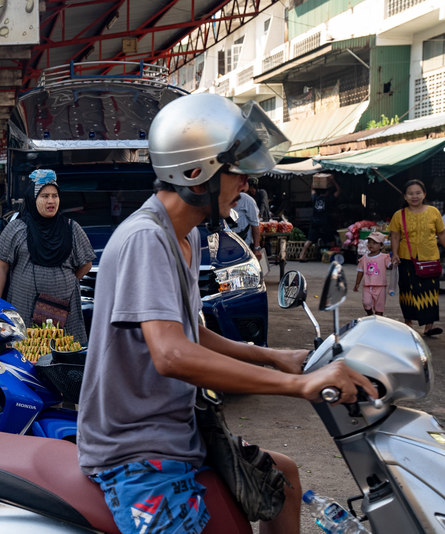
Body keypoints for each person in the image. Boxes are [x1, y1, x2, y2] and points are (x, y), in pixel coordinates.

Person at [77, 94, 377, 534]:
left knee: (285, 480)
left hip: (180, 431)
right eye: (237, 174)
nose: (247, 186)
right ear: (197, 175)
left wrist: (271, 355)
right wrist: (299, 385)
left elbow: (191, 333)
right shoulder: (146, 238)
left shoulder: (187, 236)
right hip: (136, 450)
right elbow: (172, 355)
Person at [0, 169, 95, 344]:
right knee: (26, 354)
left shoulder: (71, 228)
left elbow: (87, 263)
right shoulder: (17, 228)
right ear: (33, 198)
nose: (51, 201)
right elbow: (1, 267)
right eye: (44, 196)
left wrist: (67, 281)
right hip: (24, 306)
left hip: (64, 309)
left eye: (55, 196)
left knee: (63, 357)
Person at [389, 179, 445, 336]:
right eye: (411, 194)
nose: (415, 196)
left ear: (424, 194)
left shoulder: (434, 212)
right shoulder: (399, 215)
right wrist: (395, 254)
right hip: (406, 259)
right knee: (407, 292)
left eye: (418, 193)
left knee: (429, 292)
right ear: (405, 197)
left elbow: (441, 233)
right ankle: (408, 325)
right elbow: (395, 236)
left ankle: (429, 326)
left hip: (430, 258)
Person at [298, 174, 341, 262]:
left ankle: (302, 255)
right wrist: (332, 180)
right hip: (325, 223)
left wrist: (316, 180)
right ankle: (333, 257)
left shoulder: (315, 198)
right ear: (327, 191)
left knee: (309, 239)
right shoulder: (329, 199)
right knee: (331, 239)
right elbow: (339, 191)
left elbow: (312, 189)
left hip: (314, 222)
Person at [353, 231, 392, 317]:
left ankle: (378, 322)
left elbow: (391, 266)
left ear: (381, 246)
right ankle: (370, 315)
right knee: (366, 303)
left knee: (379, 308)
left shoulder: (385, 257)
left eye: (375, 243)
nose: (371, 244)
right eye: (369, 242)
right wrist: (357, 284)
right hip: (367, 286)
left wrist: (395, 261)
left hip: (380, 286)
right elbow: (360, 272)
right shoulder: (364, 258)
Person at [232, 182, 262, 260]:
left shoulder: (247, 200)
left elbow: (255, 225)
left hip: (243, 244)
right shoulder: (219, 199)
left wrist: (257, 248)